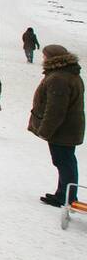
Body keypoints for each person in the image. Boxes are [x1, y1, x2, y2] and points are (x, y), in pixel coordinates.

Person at [29, 44, 85, 207]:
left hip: (63, 129)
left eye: (45, 56)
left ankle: (66, 196)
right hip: (69, 127)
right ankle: (63, 193)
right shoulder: (68, 74)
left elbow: (55, 110)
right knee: (65, 160)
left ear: (52, 58)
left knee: (64, 161)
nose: (43, 59)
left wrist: (45, 131)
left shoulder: (58, 78)